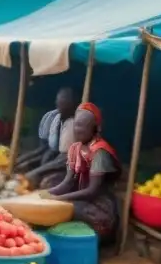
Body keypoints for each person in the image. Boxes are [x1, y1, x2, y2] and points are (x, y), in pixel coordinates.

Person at [44, 102, 121, 241]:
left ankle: (99, 239)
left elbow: (93, 191)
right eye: (76, 125)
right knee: (50, 187)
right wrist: (47, 194)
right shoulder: (75, 149)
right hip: (82, 200)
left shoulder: (100, 152)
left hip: (99, 207)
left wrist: (59, 199)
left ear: (95, 128)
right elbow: (67, 182)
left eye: (83, 125)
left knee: (65, 208)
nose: (78, 129)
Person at [21, 88, 78, 188]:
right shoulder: (56, 119)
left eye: (63, 99)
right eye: (58, 99)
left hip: (73, 168)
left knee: (45, 182)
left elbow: (67, 158)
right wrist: (24, 163)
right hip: (58, 160)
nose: (58, 102)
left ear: (73, 103)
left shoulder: (77, 124)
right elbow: (47, 149)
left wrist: (36, 172)